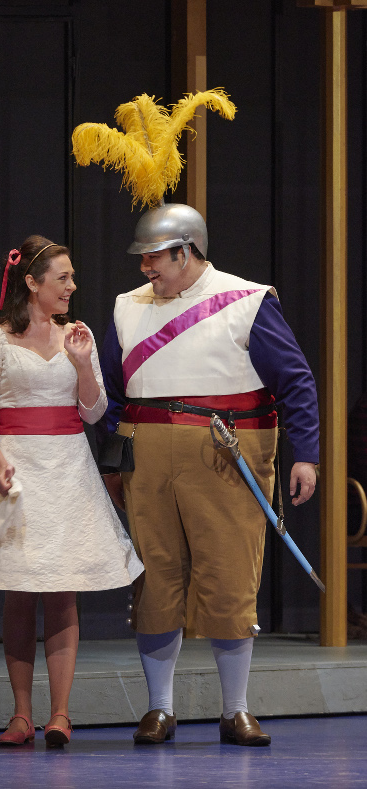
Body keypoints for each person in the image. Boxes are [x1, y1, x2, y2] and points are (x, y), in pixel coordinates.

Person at [98, 203, 319, 746]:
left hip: (227, 454)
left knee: (229, 577)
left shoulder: (246, 300)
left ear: (186, 251)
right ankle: (159, 708)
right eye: (143, 258)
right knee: (154, 577)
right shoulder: (127, 308)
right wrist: (114, 458)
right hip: (146, 457)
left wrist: (306, 453)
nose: (145, 268)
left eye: (154, 257)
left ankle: (235, 710)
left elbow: (296, 380)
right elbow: (108, 392)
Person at [0, 235, 143, 747]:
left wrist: (84, 363)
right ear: (32, 283)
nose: (72, 286)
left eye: (71, 277)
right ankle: (21, 714)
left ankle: (60, 714)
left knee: (62, 592)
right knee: (21, 592)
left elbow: (93, 412)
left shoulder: (77, 335)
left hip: (66, 468)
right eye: (62, 277)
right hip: (18, 471)